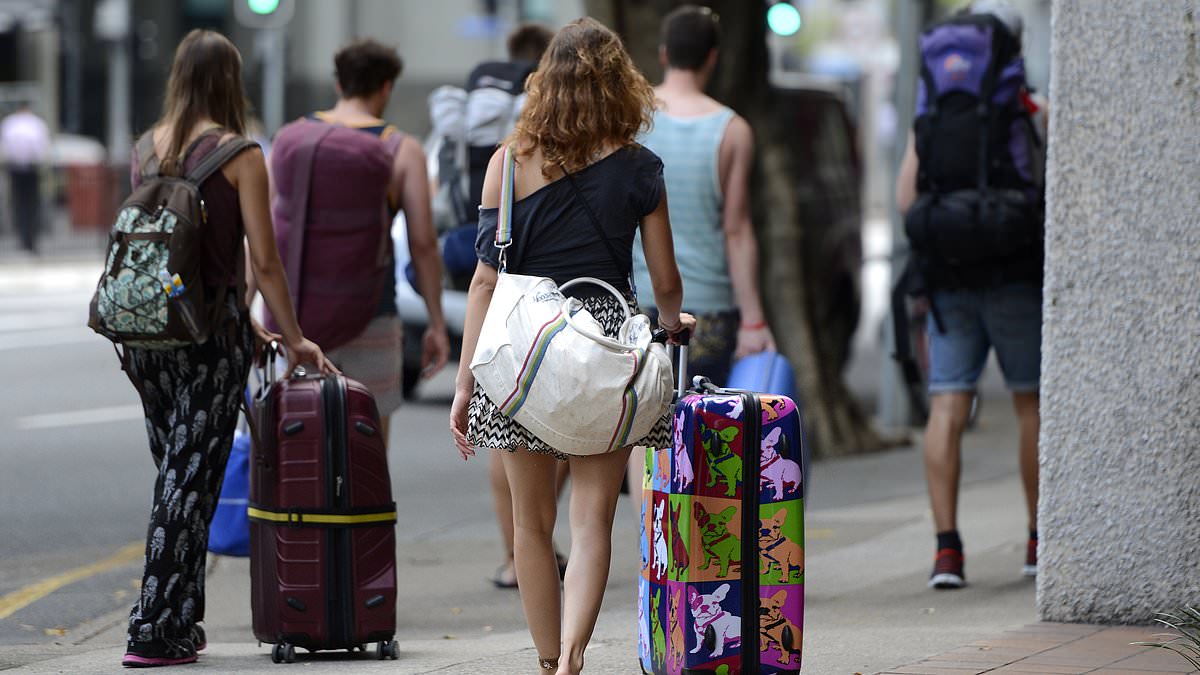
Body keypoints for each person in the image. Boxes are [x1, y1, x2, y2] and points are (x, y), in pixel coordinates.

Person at [449, 18, 695, 675]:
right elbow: (664, 281)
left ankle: (546, 656)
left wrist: (466, 380)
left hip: (523, 348)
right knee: (591, 523)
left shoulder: (507, 162)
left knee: (531, 526)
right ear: (622, 85)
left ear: (544, 82)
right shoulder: (641, 167)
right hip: (606, 347)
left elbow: (483, 279)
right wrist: (674, 323)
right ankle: (575, 657)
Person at [119, 29, 336, 667]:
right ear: (229, 82)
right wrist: (293, 337)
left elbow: (170, 253)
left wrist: (252, 323)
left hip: (146, 337)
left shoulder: (144, 149)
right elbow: (263, 261)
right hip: (207, 343)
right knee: (187, 486)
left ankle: (181, 621)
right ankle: (153, 630)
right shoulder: (240, 153)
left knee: (175, 478)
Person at [896, 0, 1044, 590]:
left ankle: (947, 553)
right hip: (1013, 272)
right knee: (1028, 403)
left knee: (948, 407)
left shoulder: (929, 118)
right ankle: (1039, 539)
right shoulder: (1026, 107)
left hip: (948, 276)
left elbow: (908, 200)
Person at [267, 39, 450, 442]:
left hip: (300, 319)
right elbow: (422, 243)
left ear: (338, 84)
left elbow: (267, 231)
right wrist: (436, 321)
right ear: (386, 87)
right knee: (366, 448)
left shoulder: (293, 137)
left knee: (302, 440)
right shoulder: (401, 149)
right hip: (372, 315)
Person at [631, 4, 776, 388]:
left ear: (664, 53)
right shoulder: (732, 130)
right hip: (710, 310)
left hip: (639, 304)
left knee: (639, 430)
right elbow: (737, 230)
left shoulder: (632, 119)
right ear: (713, 57)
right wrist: (754, 320)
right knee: (704, 429)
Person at [0, 102, 50, 254]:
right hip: (31, 167)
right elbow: (42, 146)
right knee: (31, 204)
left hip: (15, 167)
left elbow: (4, 146)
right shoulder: (36, 124)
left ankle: (24, 237)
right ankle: (29, 238)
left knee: (19, 203)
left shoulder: (10, 124)